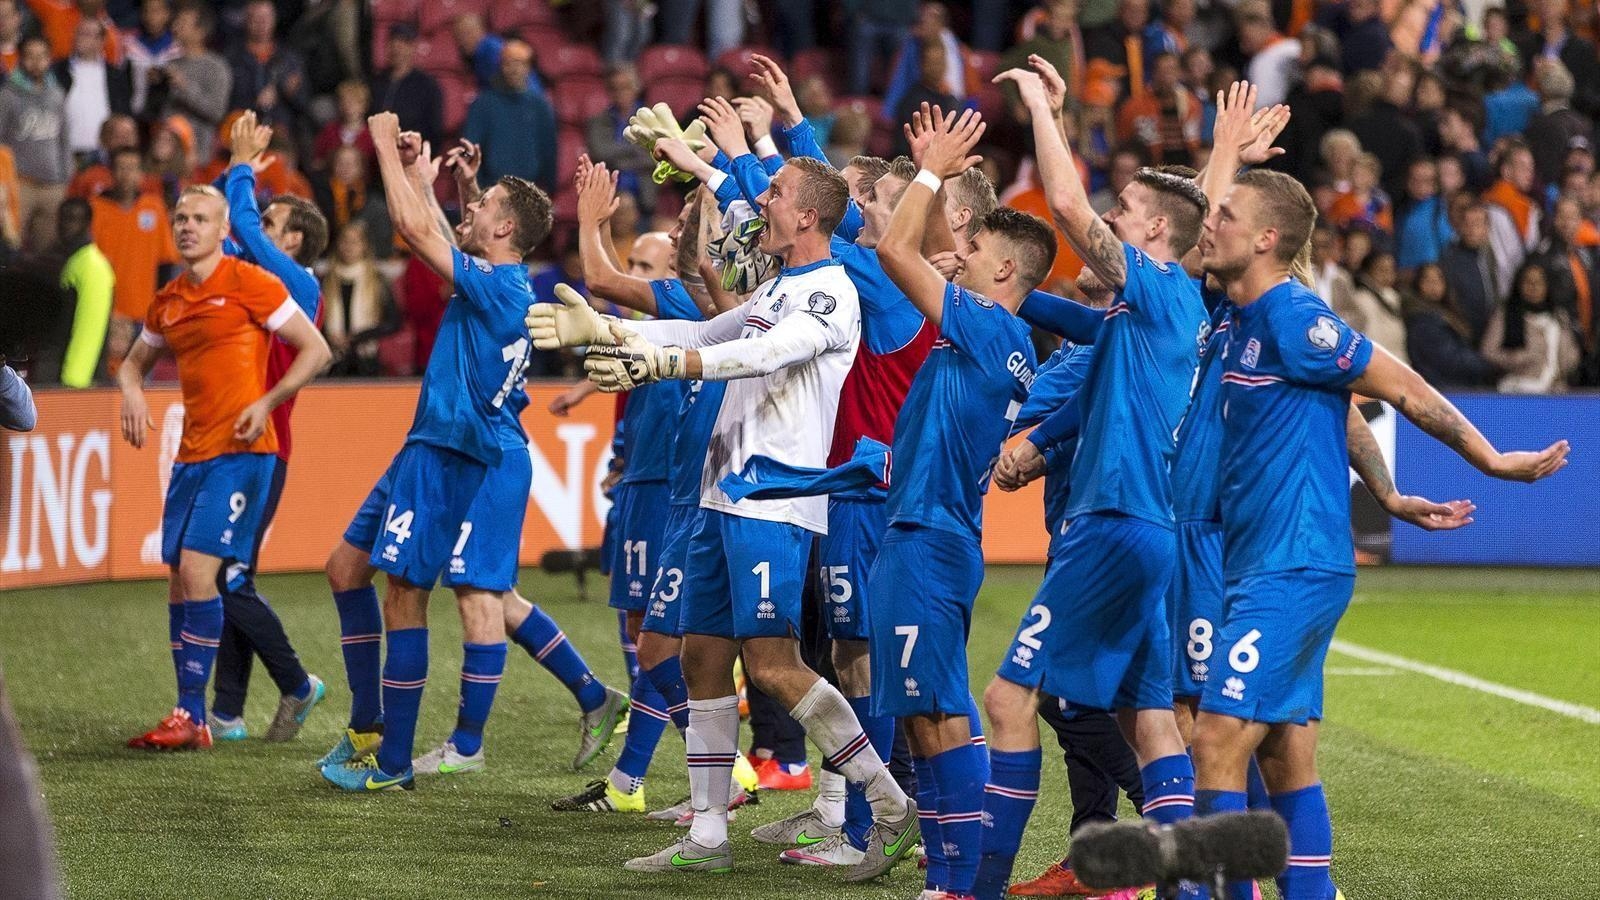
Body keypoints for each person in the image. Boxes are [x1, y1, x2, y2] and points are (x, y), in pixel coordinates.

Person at [530, 157, 919, 880]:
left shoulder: (832, 292)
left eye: (775, 193)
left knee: (773, 666)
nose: (762, 202)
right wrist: (613, 333)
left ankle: (890, 804)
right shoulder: (778, 286)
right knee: (699, 658)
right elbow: (710, 332)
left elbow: (765, 353)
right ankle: (708, 834)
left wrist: (662, 365)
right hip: (720, 495)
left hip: (771, 502)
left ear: (809, 216)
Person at [1190, 166, 1567, 900]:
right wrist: (1387, 491)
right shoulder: (1237, 318)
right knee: (1285, 760)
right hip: (1259, 562)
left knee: (1214, 740)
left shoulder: (1295, 318)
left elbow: (1402, 387)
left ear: (1267, 239)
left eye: (1226, 213)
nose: (1211, 222)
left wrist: (1490, 460)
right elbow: (1348, 409)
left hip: (1292, 565)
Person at [978, 59, 1209, 900]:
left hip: (1109, 521)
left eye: (1128, 214)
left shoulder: (1156, 293)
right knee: (1145, 722)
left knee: (1011, 702)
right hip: (1145, 528)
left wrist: (1040, 108)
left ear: (1155, 239)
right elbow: (1057, 301)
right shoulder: (1151, 310)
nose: (1109, 218)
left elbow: (1071, 208)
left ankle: (978, 887)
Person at [317, 112, 555, 792]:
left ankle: (392, 761)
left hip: (448, 452)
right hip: (425, 443)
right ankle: (369, 725)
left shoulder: (502, 285)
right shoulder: (499, 281)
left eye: (486, 209)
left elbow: (418, 233)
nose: (474, 212)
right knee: (344, 569)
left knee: (404, 595)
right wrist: (425, 177)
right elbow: (441, 231)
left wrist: (385, 151)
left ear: (505, 229)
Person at [869, 110, 1053, 900]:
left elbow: (892, 249)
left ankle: (962, 883)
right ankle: (946, 880)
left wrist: (930, 173)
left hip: (929, 539)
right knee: (922, 716)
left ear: (1005, 271)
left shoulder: (984, 325)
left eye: (974, 249)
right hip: (926, 531)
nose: (959, 254)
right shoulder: (986, 336)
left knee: (942, 716)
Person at [117, 184, 331, 751]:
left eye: (200, 218)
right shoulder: (168, 300)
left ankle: (201, 713)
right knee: (180, 581)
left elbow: (317, 349)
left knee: (204, 574)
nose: (188, 226)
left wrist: (267, 400)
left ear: (221, 230)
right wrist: (132, 389)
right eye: (181, 217)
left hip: (246, 452)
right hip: (192, 454)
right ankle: (206, 711)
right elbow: (134, 362)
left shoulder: (256, 284)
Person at [204, 110, 330, 744]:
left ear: (297, 242)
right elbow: (225, 238)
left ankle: (298, 682)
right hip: (240, 442)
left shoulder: (300, 285)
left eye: (274, 225)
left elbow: (244, 231)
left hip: (265, 446)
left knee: (225, 576)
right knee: (233, 574)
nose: (258, 230)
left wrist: (241, 169)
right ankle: (227, 711)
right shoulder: (260, 281)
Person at [89, 146, 179, 375]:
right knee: (105, 385)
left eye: (132, 168)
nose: (126, 174)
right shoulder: (96, 209)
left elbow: (166, 264)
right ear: (111, 172)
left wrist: (160, 310)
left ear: (141, 173)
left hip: (144, 315)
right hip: (106, 314)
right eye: (121, 167)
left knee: (141, 386)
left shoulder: (154, 206)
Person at [0, 35, 70, 252]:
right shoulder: (8, 95)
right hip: (20, 183)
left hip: (53, 185)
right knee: (12, 245)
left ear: (49, 59)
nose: (36, 62)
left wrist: (65, 176)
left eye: (42, 56)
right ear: (21, 59)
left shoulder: (57, 94)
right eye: (30, 56)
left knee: (46, 252)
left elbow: (64, 139)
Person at [461, 37, 555, 190]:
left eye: (520, 64)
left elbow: (549, 151)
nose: (514, 69)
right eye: (509, 63)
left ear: (529, 68)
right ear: (501, 66)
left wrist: (548, 189)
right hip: (491, 189)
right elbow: (471, 148)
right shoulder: (483, 103)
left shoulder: (540, 106)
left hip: (529, 191)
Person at [1482, 262, 1583, 392]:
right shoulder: (1505, 315)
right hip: (1518, 390)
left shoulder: (1559, 317)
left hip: (1556, 393)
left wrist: (1569, 359)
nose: (1533, 287)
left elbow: (1572, 355)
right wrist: (1518, 358)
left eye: (1539, 282)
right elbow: (1488, 353)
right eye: (1528, 282)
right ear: (1519, 284)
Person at [149, 2, 229, 164]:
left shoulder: (216, 67)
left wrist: (184, 87)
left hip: (197, 157)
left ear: (200, 31)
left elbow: (216, 112)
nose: (176, 27)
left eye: (183, 23)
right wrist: (155, 86)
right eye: (176, 22)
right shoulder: (170, 64)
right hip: (165, 156)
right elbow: (154, 111)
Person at [319, 221, 399, 377]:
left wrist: (357, 337)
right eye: (345, 241)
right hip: (332, 361)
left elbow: (393, 321)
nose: (349, 246)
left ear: (364, 246)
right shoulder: (325, 281)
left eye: (355, 241)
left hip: (367, 360)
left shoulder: (377, 281)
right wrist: (328, 336)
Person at [1404, 262, 1501, 389]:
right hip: (1442, 389)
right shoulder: (1423, 321)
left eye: (1438, 279)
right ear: (1418, 284)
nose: (1434, 285)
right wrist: (1489, 366)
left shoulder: (1448, 314)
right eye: (1427, 280)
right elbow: (1450, 360)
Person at [52, 197, 114, 388]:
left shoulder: (92, 266)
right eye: (62, 218)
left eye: (73, 219)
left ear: (87, 224)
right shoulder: (71, 260)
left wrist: (73, 384)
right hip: (62, 373)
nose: (65, 225)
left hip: (82, 385)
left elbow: (89, 329)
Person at [51, 17, 132, 162]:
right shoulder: (57, 71)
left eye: (87, 34)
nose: (80, 38)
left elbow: (123, 113)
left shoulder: (115, 75)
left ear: (101, 41)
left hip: (105, 155)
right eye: (79, 33)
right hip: (65, 153)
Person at [371, 23, 442, 150]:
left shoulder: (427, 86)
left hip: (410, 154)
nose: (397, 47)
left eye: (404, 42)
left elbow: (433, 132)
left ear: (413, 47)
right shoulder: (377, 82)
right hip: (377, 152)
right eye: (393, 41)